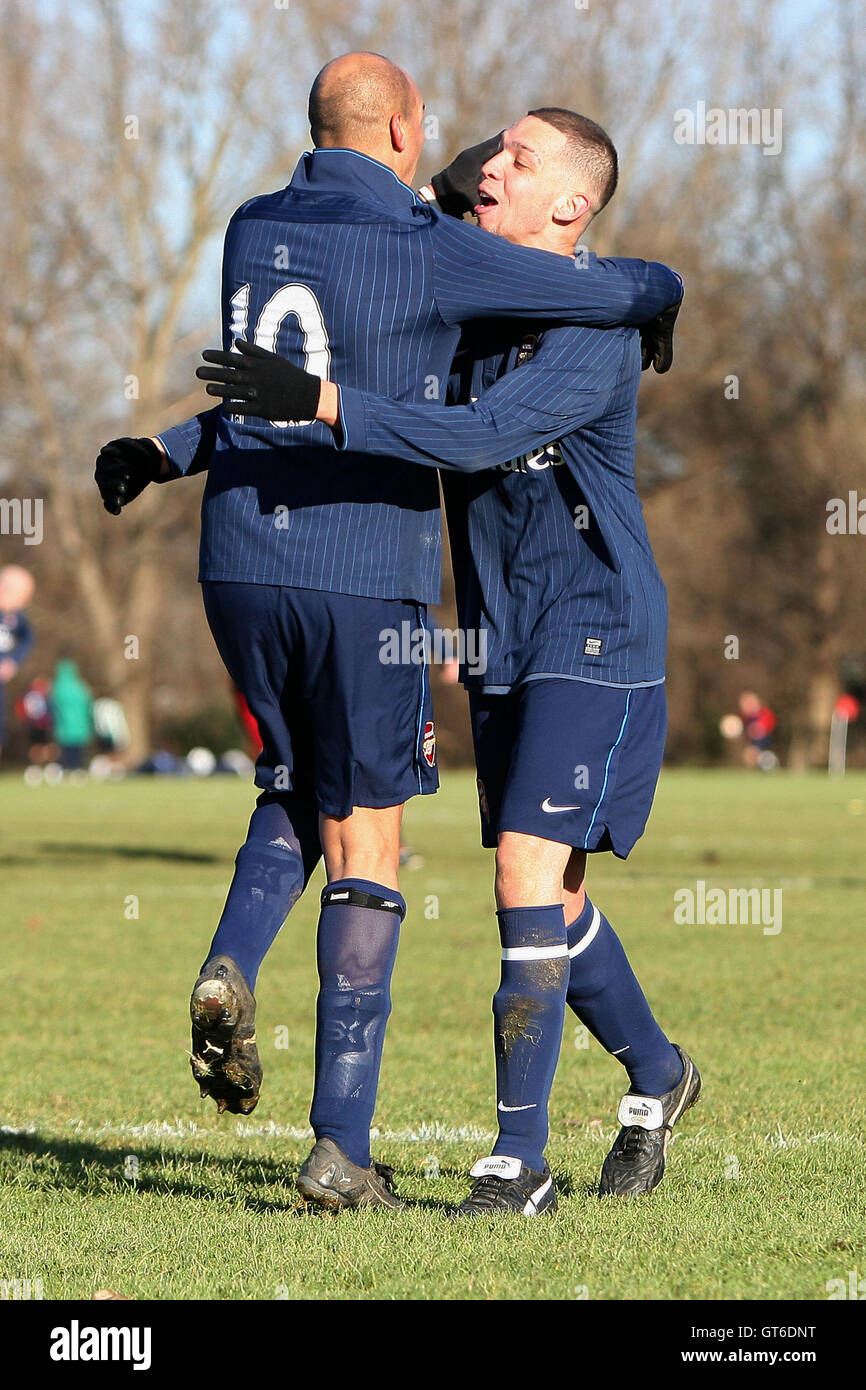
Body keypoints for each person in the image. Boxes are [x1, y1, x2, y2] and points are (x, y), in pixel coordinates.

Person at [95, 52, 682, 1212]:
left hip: (597, 626)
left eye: (518, 158)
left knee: (519, 872)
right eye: (487, 153)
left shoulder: (591, 329)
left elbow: (465, 439)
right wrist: (174, 445)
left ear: (571, 202)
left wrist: (311, 398)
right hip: (502, 635)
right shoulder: (462, 313)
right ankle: (656, 1074)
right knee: (550, 896)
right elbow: (318, 383)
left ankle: (515, 1164)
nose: (486, 169)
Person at [0, 565, 35, 762]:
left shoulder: (16, 619)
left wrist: (13, 661)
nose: (23, 603)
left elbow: (29, 639)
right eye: (22, 597)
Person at [51, 658, 93, 772]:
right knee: (78, 752)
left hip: (64, 727)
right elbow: (89, 705)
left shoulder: (58, 688)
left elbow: (53, 707)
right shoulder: (82, 687)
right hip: (81, 727)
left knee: (66, 752)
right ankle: (78, 769)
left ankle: (66, 769)